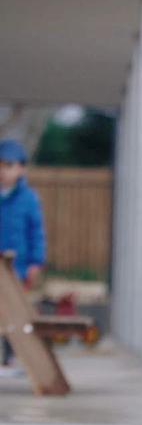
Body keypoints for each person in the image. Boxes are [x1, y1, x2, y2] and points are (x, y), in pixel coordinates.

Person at [0, 139, 46, 368]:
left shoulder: (28, 199)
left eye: (8, 166)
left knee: (16, 313)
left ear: (21, 169)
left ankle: (12, 357)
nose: (3, 172)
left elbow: (36, 231)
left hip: (17, 266)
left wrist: (36, 262)